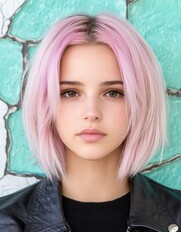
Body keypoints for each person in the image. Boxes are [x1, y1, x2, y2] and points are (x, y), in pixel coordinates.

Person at [0, 13, 181, 232]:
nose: (91, 113)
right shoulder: (6, 222)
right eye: (70, 93)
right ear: (44, 102)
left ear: (141, 102)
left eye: (113, 92)